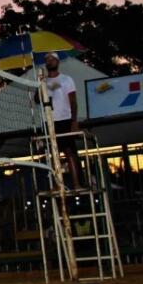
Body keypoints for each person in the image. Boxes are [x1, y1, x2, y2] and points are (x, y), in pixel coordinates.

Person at [42, 52, 82, 189]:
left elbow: (73, 101)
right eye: (47, 60)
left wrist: (74, 121)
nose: (50, 61)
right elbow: (37, 99)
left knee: (69, 152)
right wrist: (40, 85)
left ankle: (77, 184)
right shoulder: (44, 82)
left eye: (52, 59)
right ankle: (57, 184)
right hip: (50, 122)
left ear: (57, 62)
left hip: (65, 119)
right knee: (54, 154)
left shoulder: (66, 79)